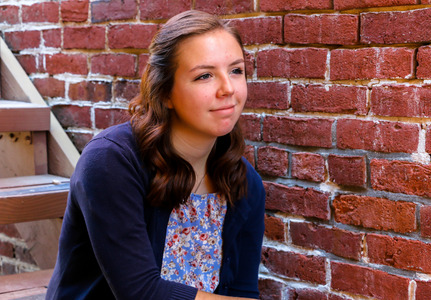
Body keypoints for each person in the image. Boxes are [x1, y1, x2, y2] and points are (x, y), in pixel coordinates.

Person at [46, 10, 266, 300]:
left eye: (236, 70)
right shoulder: (111, 162)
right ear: (165, 93)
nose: (228, 89)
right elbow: (141, 293)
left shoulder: (244, 181)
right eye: (204, 75)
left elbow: (242, 290)